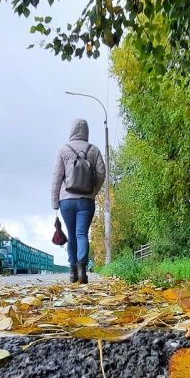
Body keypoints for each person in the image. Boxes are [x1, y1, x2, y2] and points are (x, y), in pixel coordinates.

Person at [51, 118, 107, 284]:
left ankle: (72, 271)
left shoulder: (63, 150)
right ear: (86, 132)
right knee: (81, 233)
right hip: (86, 201)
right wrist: (93, 191)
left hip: (66, 201)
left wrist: (55, 202)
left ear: (72, 131)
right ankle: (83, 271)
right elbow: (102, 173)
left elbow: (56, 178)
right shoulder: (94, 150)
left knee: (72, 235)